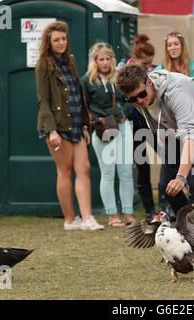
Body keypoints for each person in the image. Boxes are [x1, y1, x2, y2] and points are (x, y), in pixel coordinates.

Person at [116, 64, 194, 269]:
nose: (139, 101)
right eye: (133, 99)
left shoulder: (176, 91)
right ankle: (187, 232)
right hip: (176, 131)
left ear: (149, 82)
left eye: (141, 94)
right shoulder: (140, 96)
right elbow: (158, 123)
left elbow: (190, 135)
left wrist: (182, 177)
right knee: (167, 186)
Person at [35, 21, 104, 231]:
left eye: (63, 38)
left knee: (84, 168)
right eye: (56, 39)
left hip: (76, 124)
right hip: (57, 126)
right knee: (64, 171)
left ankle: (87, 218)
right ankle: (70, 220)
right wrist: (51, 130)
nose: (61, 42)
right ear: (49, 42)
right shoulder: (43, 65)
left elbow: (78, 94)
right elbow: (43, 101)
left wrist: (85, 125)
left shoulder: (69, 61)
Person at [81, 42, 136, 227]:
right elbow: (84, 106)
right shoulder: (87, 80)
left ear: (112, 60)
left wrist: (123, 111)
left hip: (122, 126)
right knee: (108, 172)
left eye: (107, 59)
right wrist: (96, 119)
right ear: (95, 61)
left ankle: (128, 214)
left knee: (126, 171)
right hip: (103, 128)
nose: (105, 62)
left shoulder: (119, 78)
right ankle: (112, 215)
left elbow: (131, 99)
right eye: (101, 59)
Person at [125, 34, 174, 220]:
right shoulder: (125, 72)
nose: (148, 67)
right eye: (144, 63)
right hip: (134, 124)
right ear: (135, 59)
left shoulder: (154, 72)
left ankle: (166, 205)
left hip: (153, 122)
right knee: (142, 165)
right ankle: (149, 210)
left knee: (167, 159)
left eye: (150, 63)